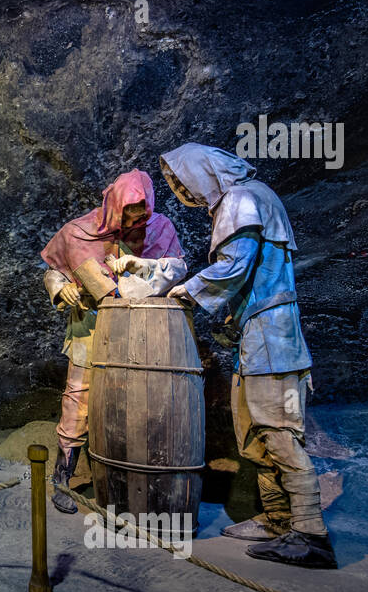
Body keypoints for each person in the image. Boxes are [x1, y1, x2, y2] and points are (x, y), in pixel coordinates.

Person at [160, 142, 336, 570]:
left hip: (273, 342)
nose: (184, 192)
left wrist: (188, 291)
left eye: (184, 181)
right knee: (254, 436)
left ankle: (311, 534)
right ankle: (279, 521)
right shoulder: (252, 196)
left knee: (279, 433)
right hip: (254, 339)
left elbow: (235, 266)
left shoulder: (242, 199)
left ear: (203, 171)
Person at [40, 170, 184, 513]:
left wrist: (146, 266)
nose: (136, 217)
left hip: (142, 332)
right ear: (115, 204)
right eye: (130, 210)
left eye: (142, 210)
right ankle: (63, 478)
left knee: (138, 407)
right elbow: (54, 271)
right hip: (90, 328)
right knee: (78, 402)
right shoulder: (80, 230)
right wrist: (62, 287)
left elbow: (178, 267)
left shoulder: (160, 229)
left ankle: (133, 487)